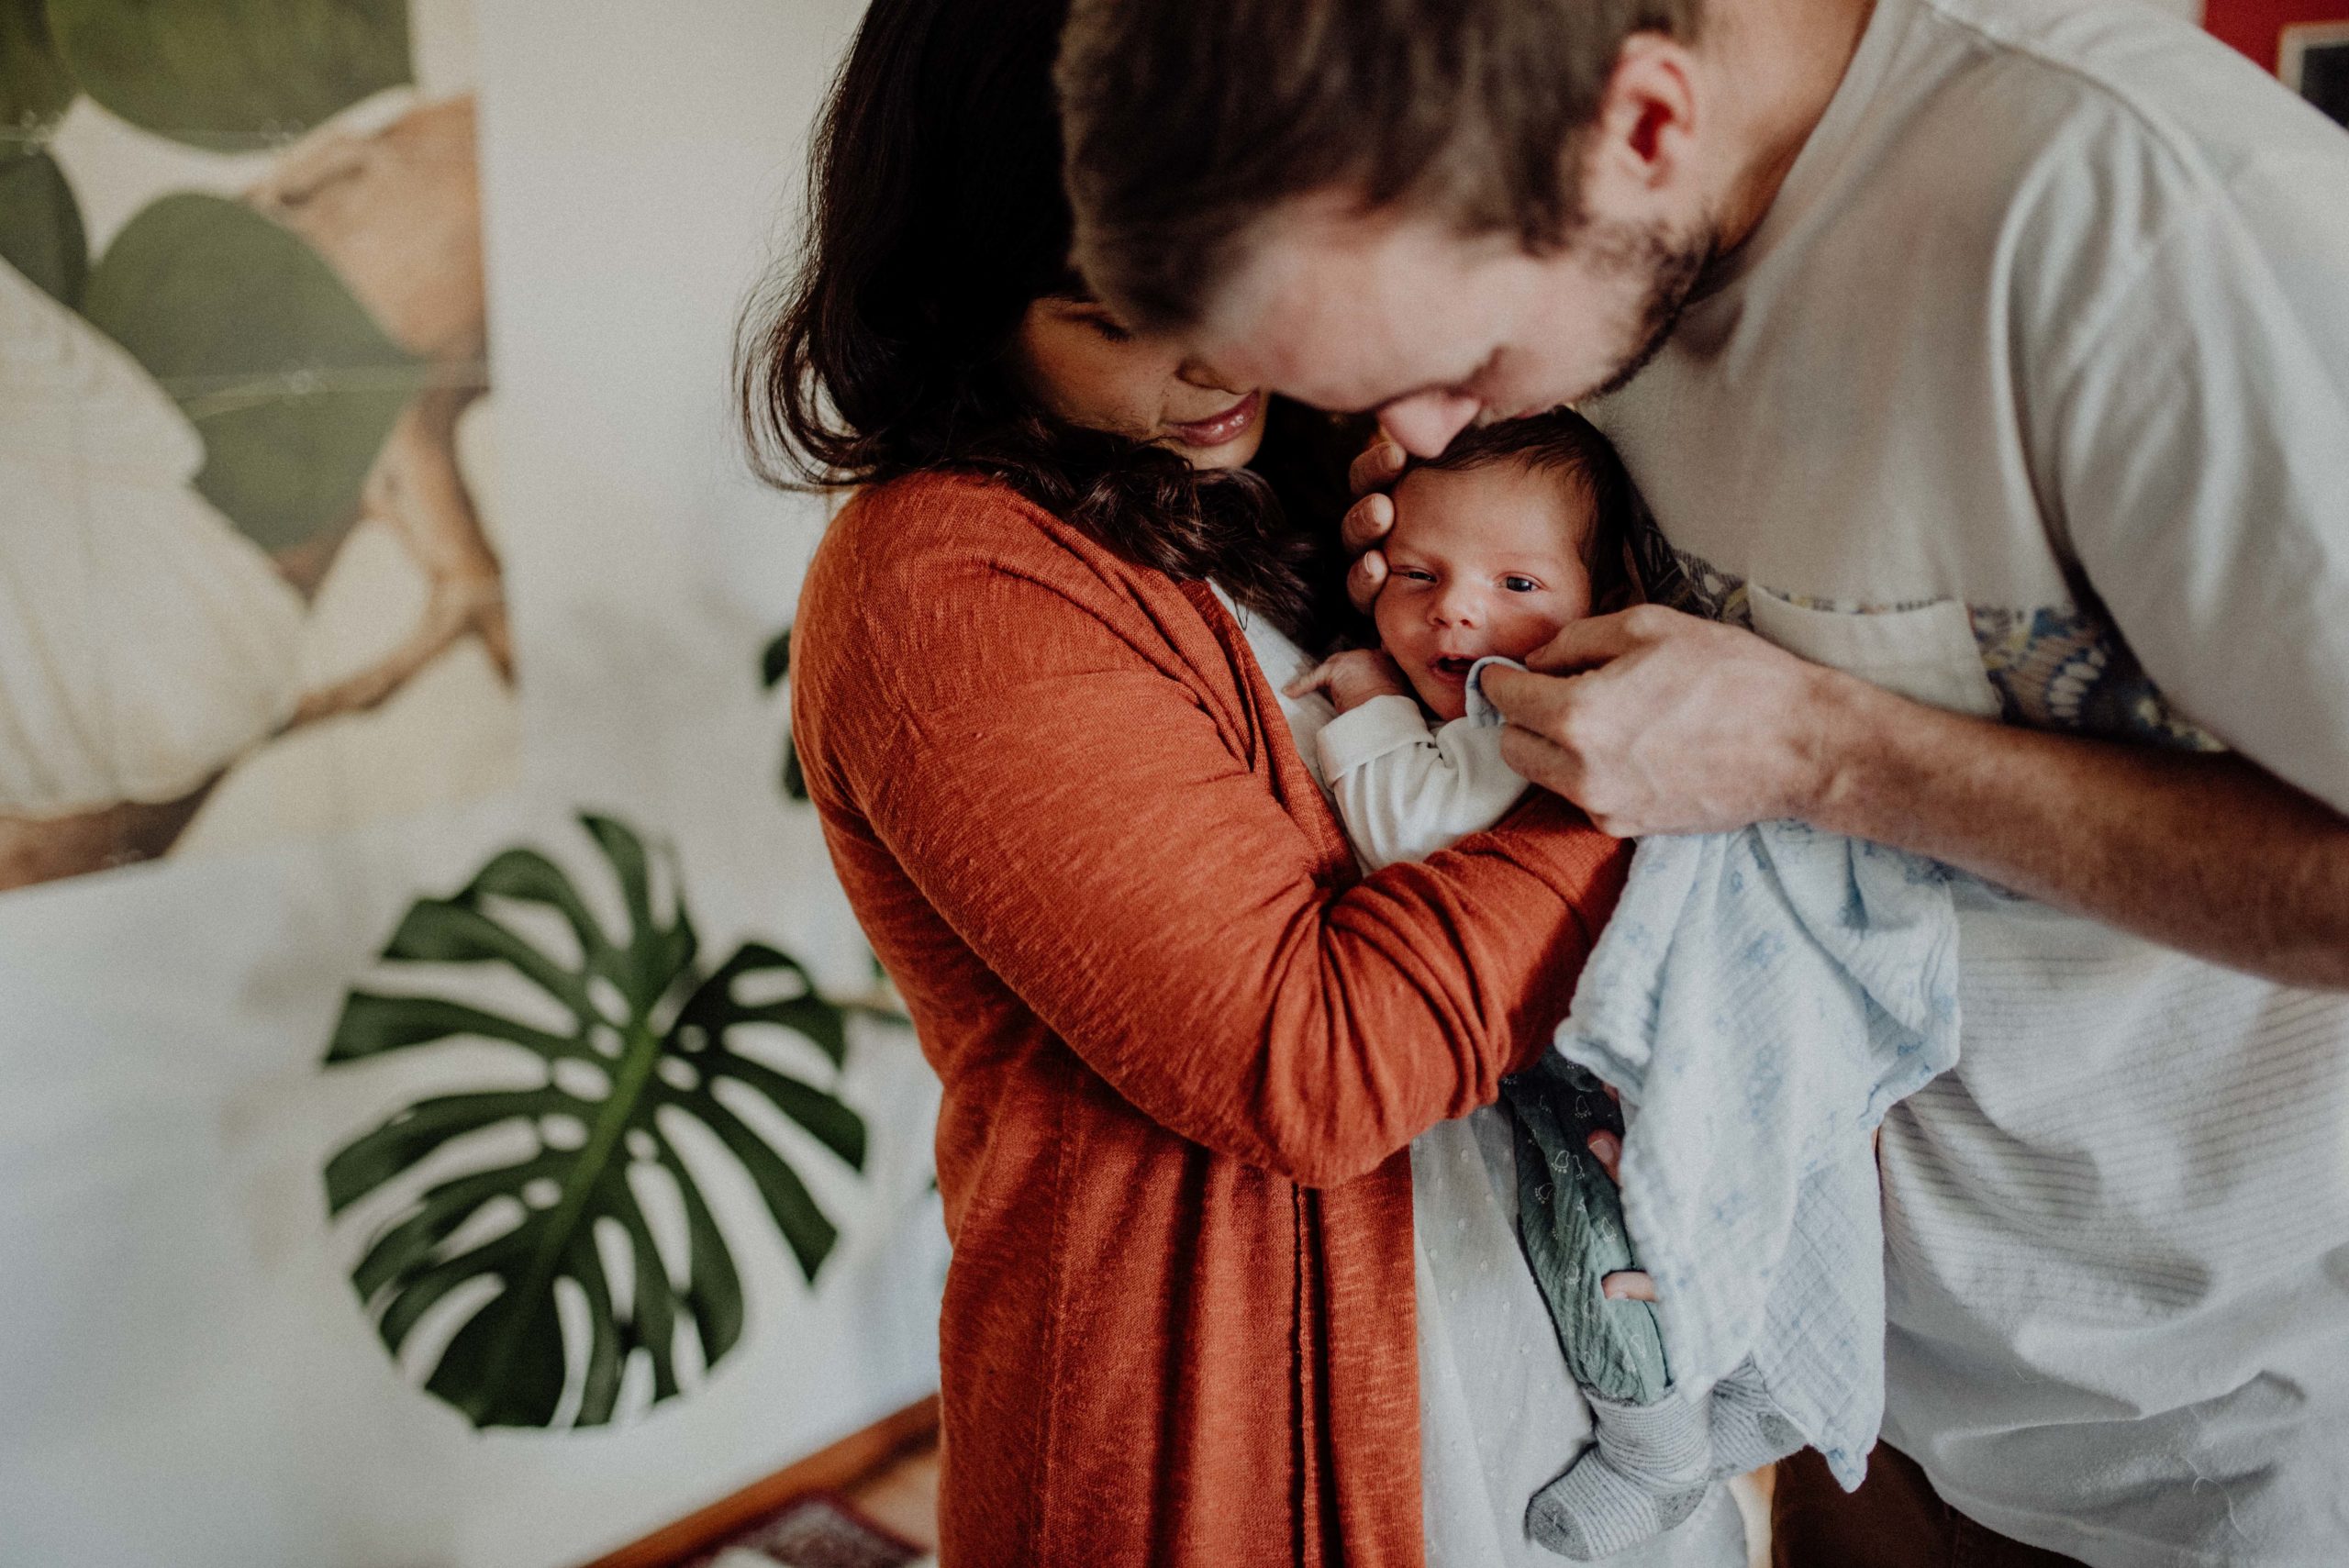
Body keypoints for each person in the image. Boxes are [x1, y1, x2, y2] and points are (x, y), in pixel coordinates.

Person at [1055, 0, 2349, 1563]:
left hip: (2208, 1442)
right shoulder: (1580, 216)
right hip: (1839, 1392)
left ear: (1650, 124)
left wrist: (1828, 752)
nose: (1419, 433)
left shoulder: (2143, 232)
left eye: (1457, 368)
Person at [740, 1, 1755, 1562]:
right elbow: (1312, 1057)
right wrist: (1637, 768)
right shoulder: (941, 580)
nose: (1220, 351)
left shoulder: (1291, 473)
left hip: (1526, 1350)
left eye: (1233, 266)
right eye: (1117, 309)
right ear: (957, 300)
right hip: (1230, 1430)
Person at [1287, 411, 1634, 870]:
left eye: (1518, 585)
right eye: (1417, 574)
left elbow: (1416, 836)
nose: (1452, 607)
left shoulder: (1536, 710)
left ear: (1605, 612)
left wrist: (1373, 696)